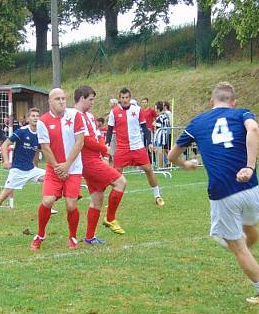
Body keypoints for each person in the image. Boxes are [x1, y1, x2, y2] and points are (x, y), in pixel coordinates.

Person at [168, 82, 259, 305]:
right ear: (233, 102)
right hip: (250, 187)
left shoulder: (198, 122)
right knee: (249, 230)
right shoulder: (242, 114)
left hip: (223, 190)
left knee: (234, 245)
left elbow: (171, 155)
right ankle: (244, 249)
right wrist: (249, 166)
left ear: (212, 102)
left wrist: (185, 163)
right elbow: (254, 129)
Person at [31, 88, 86, 250]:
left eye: (63, 98)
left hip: (73, 168)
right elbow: (45, 148)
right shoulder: (43, 121)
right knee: (47, 201)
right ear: (50, 102)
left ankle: (73, 237)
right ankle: (40, 234)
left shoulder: (75, 115)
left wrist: (67, 165)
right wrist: (57, 168)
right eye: (57, 99)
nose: (62, 101)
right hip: (54, 168)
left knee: (71, 205)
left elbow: (80, 142)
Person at [74, 85, 128, 243]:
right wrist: (104, 148)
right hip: (87, 161)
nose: (92, 103)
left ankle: (90, 237)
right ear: (82, 98)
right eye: (90, 99)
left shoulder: (89, 116)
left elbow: (98, 136)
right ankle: (110, 218)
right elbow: (85, 141)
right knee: (121, 182)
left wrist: (104, 154)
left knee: (97, 198)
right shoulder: (75, 116)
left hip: (95, 159)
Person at [0, 108, 46, 225]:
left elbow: (37, 150)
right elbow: (5, 144)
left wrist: (35, 166)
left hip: (31, 169)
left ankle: (47, 205)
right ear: (28, 119)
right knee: (5, 194)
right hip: (17, 170)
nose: (36, 118)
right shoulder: (22, 131)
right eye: (33, 116)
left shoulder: (40, 134)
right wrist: (6, 161)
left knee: (51, 178)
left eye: (37, 116)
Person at [106, 87, 164, 207]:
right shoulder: (114, 112)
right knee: (116, 174)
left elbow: (145, 128)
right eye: (122, 98)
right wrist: (107, 144)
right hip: (122, 148)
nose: (125, 100)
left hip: (137, 147)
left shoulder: (137, 110)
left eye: (127, 97)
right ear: (119, 99)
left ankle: (157, 196)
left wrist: (150, 142)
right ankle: (113, 200)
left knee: (148, 170)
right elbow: (110, 130)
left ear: (130, 98)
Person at [153, 101, 173, 168]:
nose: (154, 109)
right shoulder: (165, 116)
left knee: (159, 151)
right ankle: (167, 163)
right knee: (162, 150)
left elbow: (158, 128)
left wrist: (154, 124)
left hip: (161, 136)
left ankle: (161, 167)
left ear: (158, 109)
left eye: (155, 108)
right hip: (166, 135)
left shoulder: (160, 117)